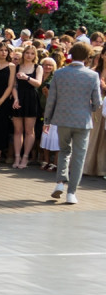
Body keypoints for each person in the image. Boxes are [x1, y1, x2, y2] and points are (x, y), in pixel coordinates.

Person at [46, 42, 103, 205]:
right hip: (82, 120)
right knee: (79, 157)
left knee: (64, 151)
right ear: (87, 57)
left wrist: (47, 119)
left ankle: (59, 182)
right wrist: (90, 108)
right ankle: (71, 192)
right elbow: (97, 102)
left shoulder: (59, 73)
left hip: (62, 119)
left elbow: (52, 99)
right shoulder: (92, 76)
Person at [11, 45, 43, 168]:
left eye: (32, 53)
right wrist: (15, 99)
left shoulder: (37, 67)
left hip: (31, 98)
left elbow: (38, 83)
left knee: (29, 130)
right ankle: (17, 157)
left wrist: (27, 77)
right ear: (23, 54)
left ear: (35, 56)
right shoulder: (17, 66)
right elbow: (13, 85)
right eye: (27, 53)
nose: (29, 55)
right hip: (18, 98)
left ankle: (25, 157)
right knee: (17, 130)